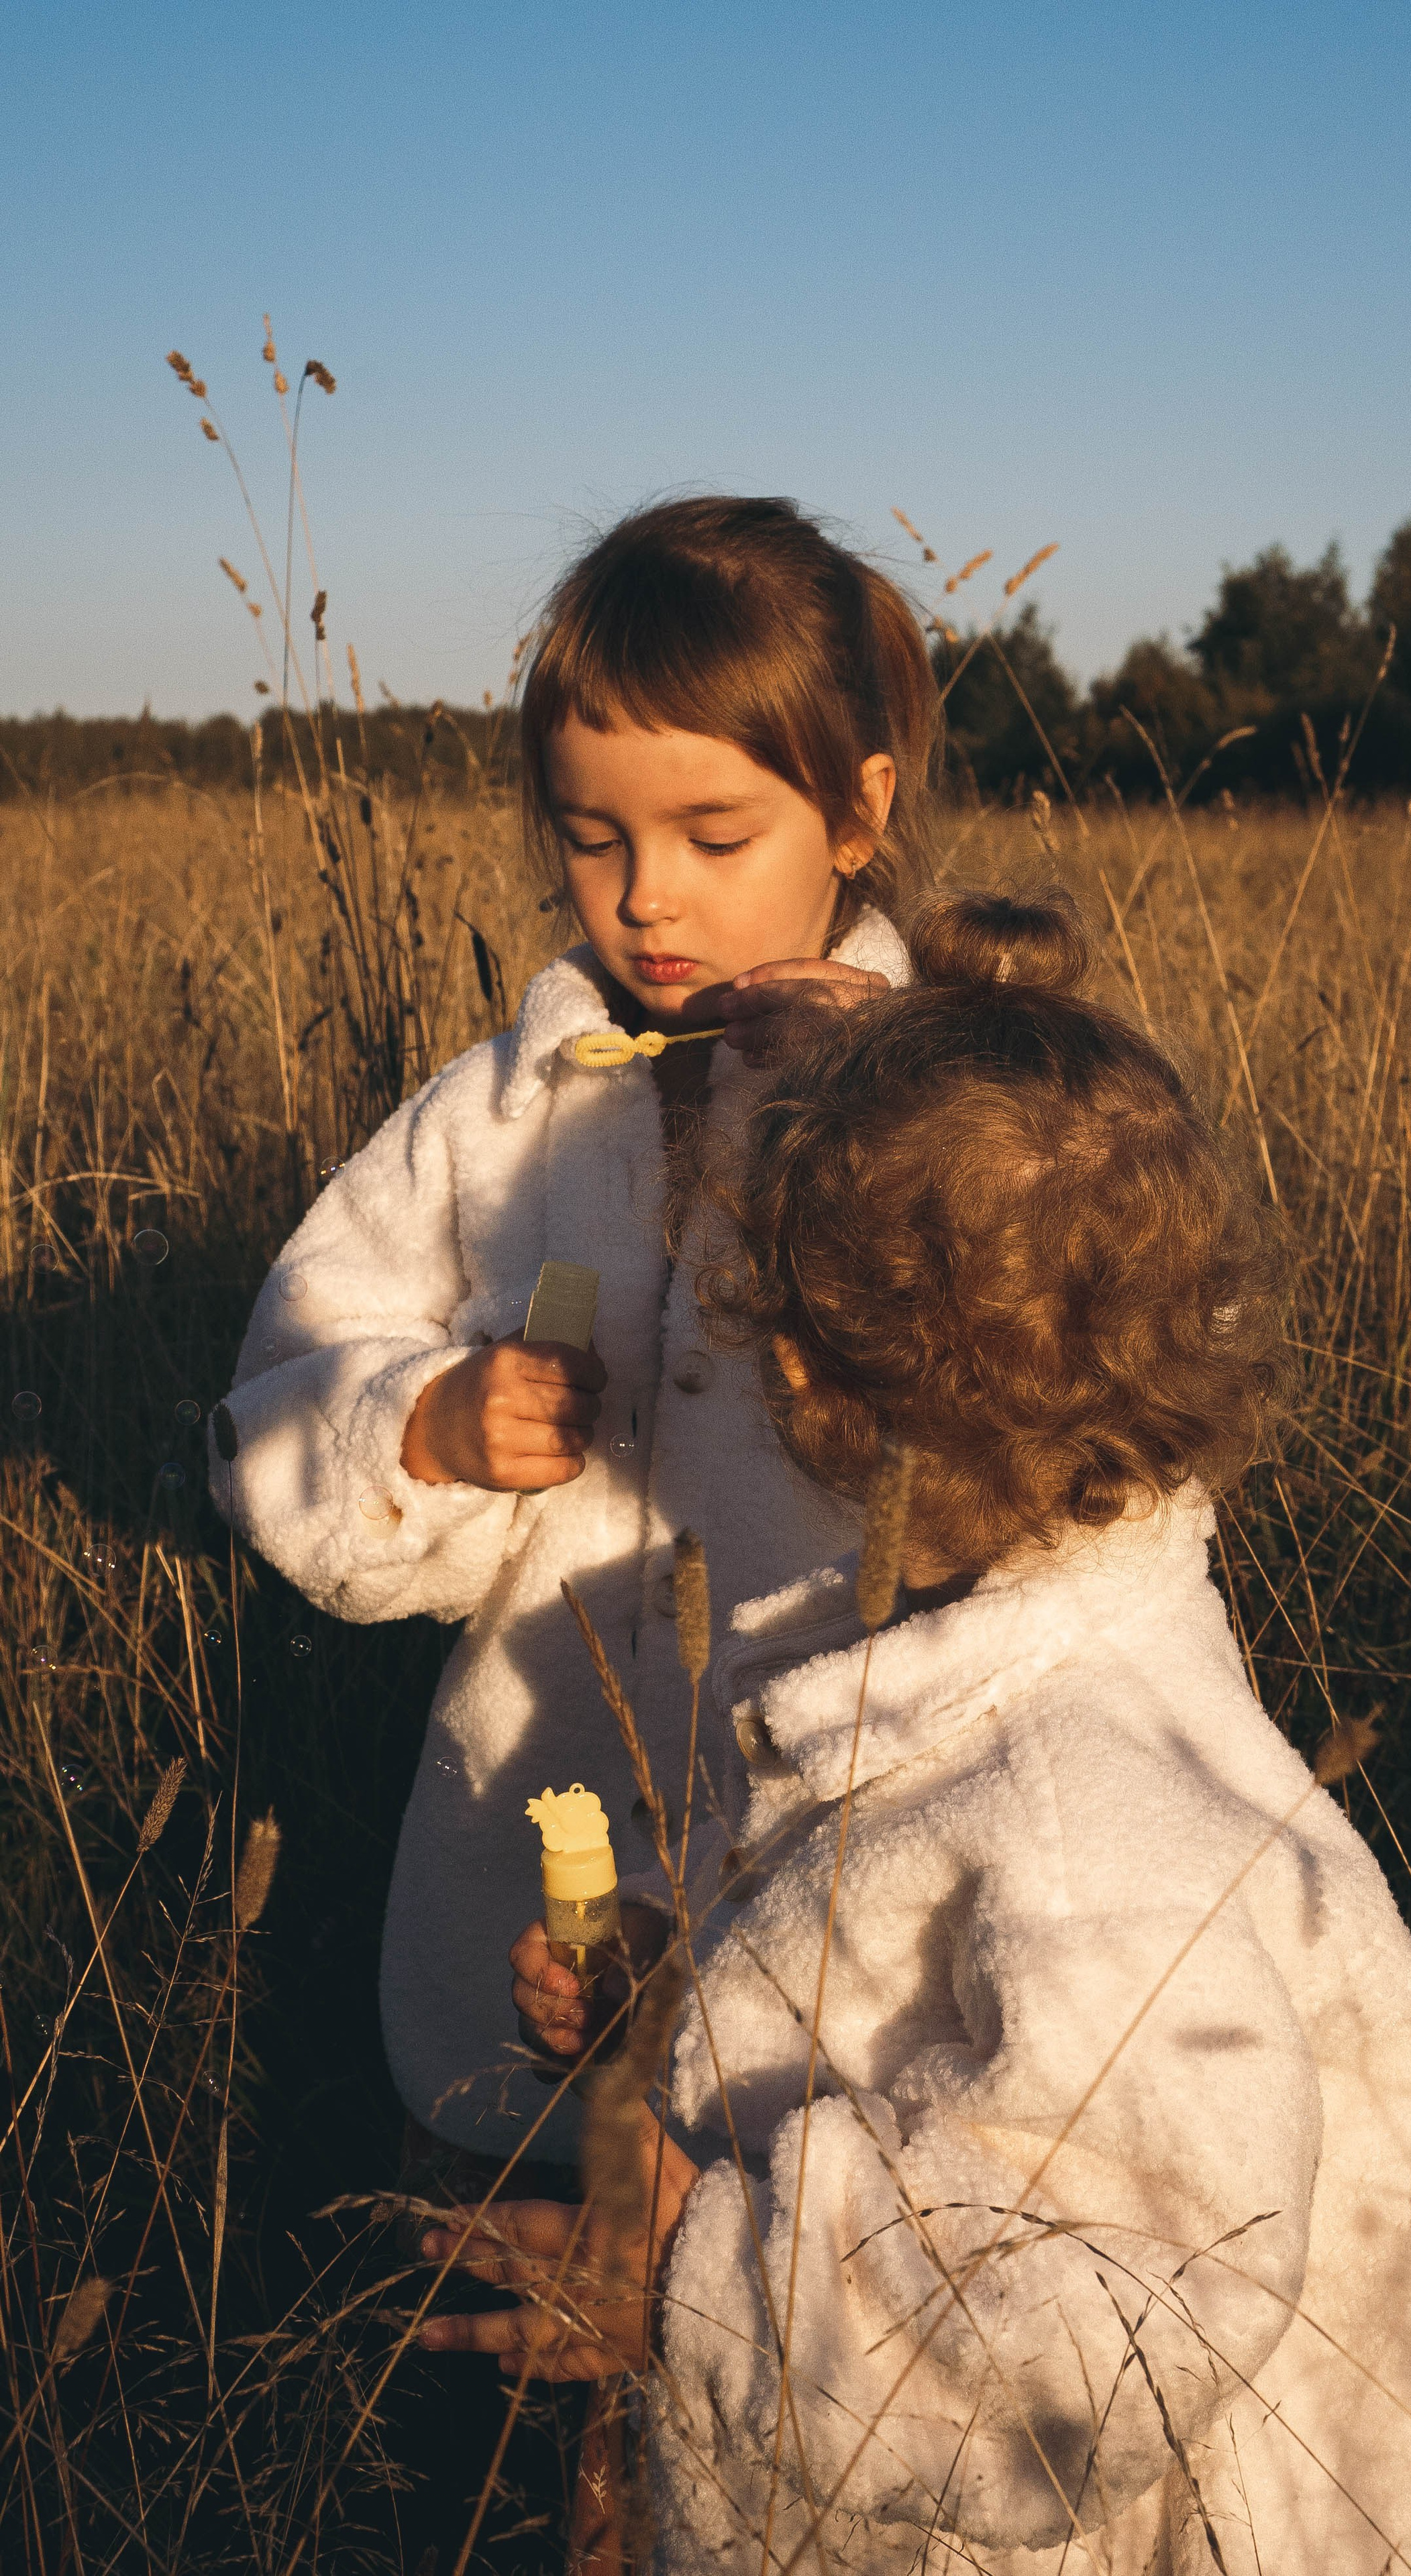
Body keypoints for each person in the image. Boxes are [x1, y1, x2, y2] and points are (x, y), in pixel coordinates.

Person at [423, 893, 1411, 2574]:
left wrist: (694, 2272)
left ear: (803, 1378)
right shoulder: (990, 1680)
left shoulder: (1093, 1810)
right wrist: (680, 1995)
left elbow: (1098, 2348)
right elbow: (895, 1987)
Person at [213, 496, 941, 2178]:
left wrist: (895, 1113)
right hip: (524, 1843)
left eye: (710, 834)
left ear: (854, 813)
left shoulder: (956, 1101)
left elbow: (1075, 1401)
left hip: (836, 1841)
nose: (646, 899)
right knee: (501, 2275)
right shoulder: (488, 1116)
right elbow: (286, 1375)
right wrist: (422, 1426)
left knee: (786, 2275)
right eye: (591, 837)